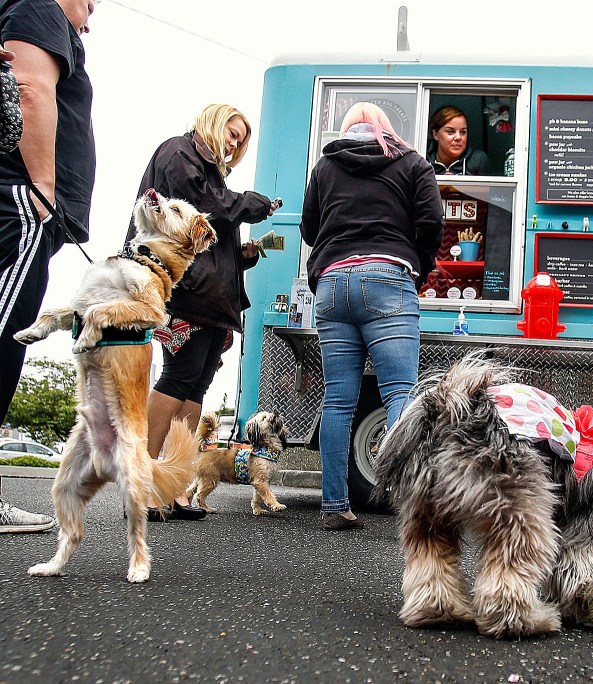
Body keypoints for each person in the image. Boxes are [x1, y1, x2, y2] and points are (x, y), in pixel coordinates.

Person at [127, 104, 275, 521]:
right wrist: (247, 203)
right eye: (232, 132)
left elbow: (208, 231)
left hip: (210, 295)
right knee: (178, 379)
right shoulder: (180, 154)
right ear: (211, 122)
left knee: (195, 388)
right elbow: (205, 209)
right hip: (184, 291)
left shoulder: (211, 175)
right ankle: (143, 486)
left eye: (241, 139)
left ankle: (171, 486)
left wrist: (240, 255)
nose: (235, 143)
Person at [300, 102, 443, 530]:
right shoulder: (411, 162)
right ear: (385, 128)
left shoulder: (325, 167)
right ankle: (410, 506)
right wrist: (415, 262)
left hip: (331, 285)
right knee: (400, 393)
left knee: (338, 399)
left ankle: (334, 506)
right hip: (386, 277)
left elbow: (309, 229)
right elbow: (431, 221)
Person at [0, 0, 95, 534]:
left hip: (26, 201)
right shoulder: (38, 6)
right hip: (24, 198)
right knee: (7, 336)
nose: (89, 18)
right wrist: (42, 187)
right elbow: (29, 88)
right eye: (89, 4)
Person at [427, 105, 491, 175]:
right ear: (435, 134)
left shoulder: (478, 161)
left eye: (463, 132)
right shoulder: (422, 159)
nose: (458, 137)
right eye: (450, 132)